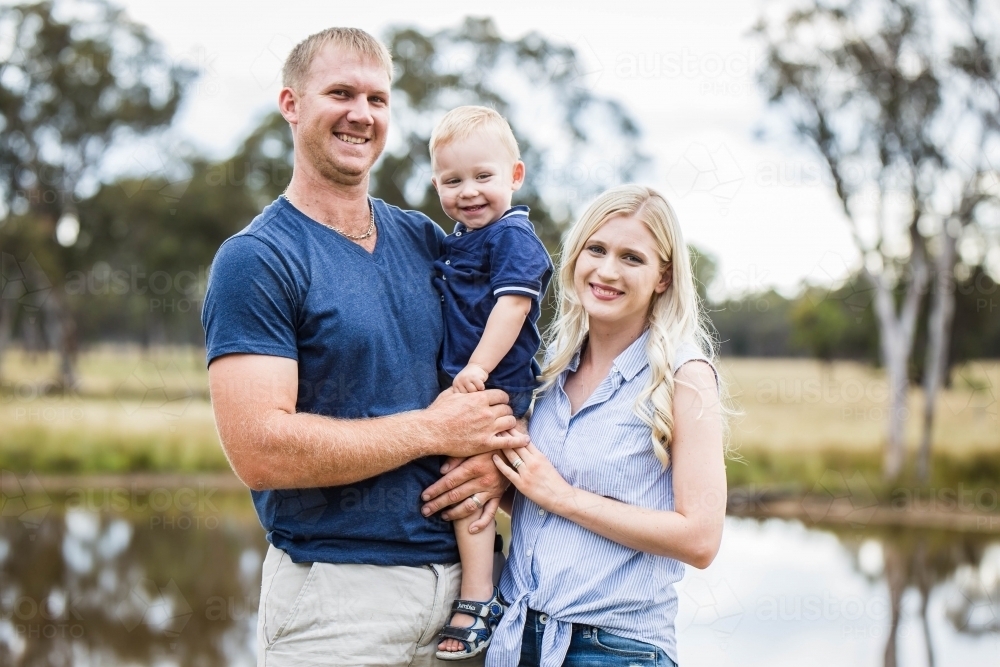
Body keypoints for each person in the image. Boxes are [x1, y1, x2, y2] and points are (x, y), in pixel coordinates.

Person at [201, 28, 528, 667]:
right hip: (337, 605)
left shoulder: (428, 240)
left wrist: (497, 463)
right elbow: (261, 451)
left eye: (377, 99)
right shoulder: (258, 259)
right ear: (291, 104)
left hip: (472, 598)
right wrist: (434, 430)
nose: (361, 114)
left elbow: (506, 359)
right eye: (340, 93)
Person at [485, 185, 728, 667]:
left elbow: (700, 539)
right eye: (596, 249)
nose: (607, 270)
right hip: (516, 638)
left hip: (615, 649)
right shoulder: (549, 374)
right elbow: (539, 502)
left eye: (632, 258)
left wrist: (563, 496)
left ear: (663, 277)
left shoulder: (685, 377)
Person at [427, 106, 553, 660]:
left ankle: (479, 595)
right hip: (472, 385)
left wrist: (475, 370)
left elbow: (514, 305)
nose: (469, 192)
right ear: (436, 185)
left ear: (515, 176)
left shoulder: (513, 238)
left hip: (495, 386)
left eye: (484, 177)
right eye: (453, 181)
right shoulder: (459, 240)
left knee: (466, 480)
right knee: (461, 476)